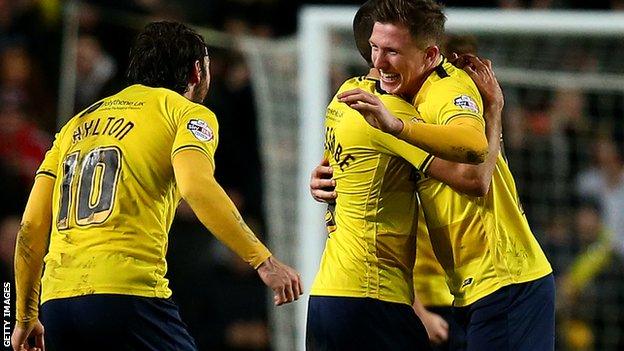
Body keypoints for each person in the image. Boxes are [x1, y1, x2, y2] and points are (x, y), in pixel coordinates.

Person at [11, 21, 302, 351]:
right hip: (127, 294)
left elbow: (32, 226)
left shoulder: (75, 125)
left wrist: (24, 316)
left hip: (57, 303)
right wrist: (264, 261)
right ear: (196, 71)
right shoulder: (185, 113)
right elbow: (196, 186)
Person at [339, 0, 554, 349]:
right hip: (468, 287)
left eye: (392, 51)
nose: (378, 63)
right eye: (374, 49)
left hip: (506, 279)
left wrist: (397, 128)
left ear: (428, 55)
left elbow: (474, 174)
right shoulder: (399, 98)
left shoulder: (447, 88)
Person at [305, 1, 501, 350]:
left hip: (329, 296)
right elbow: (473, 179)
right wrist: (493, 113)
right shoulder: (387, 114)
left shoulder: (343, 97)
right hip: (372, 297)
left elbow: (343, 166)